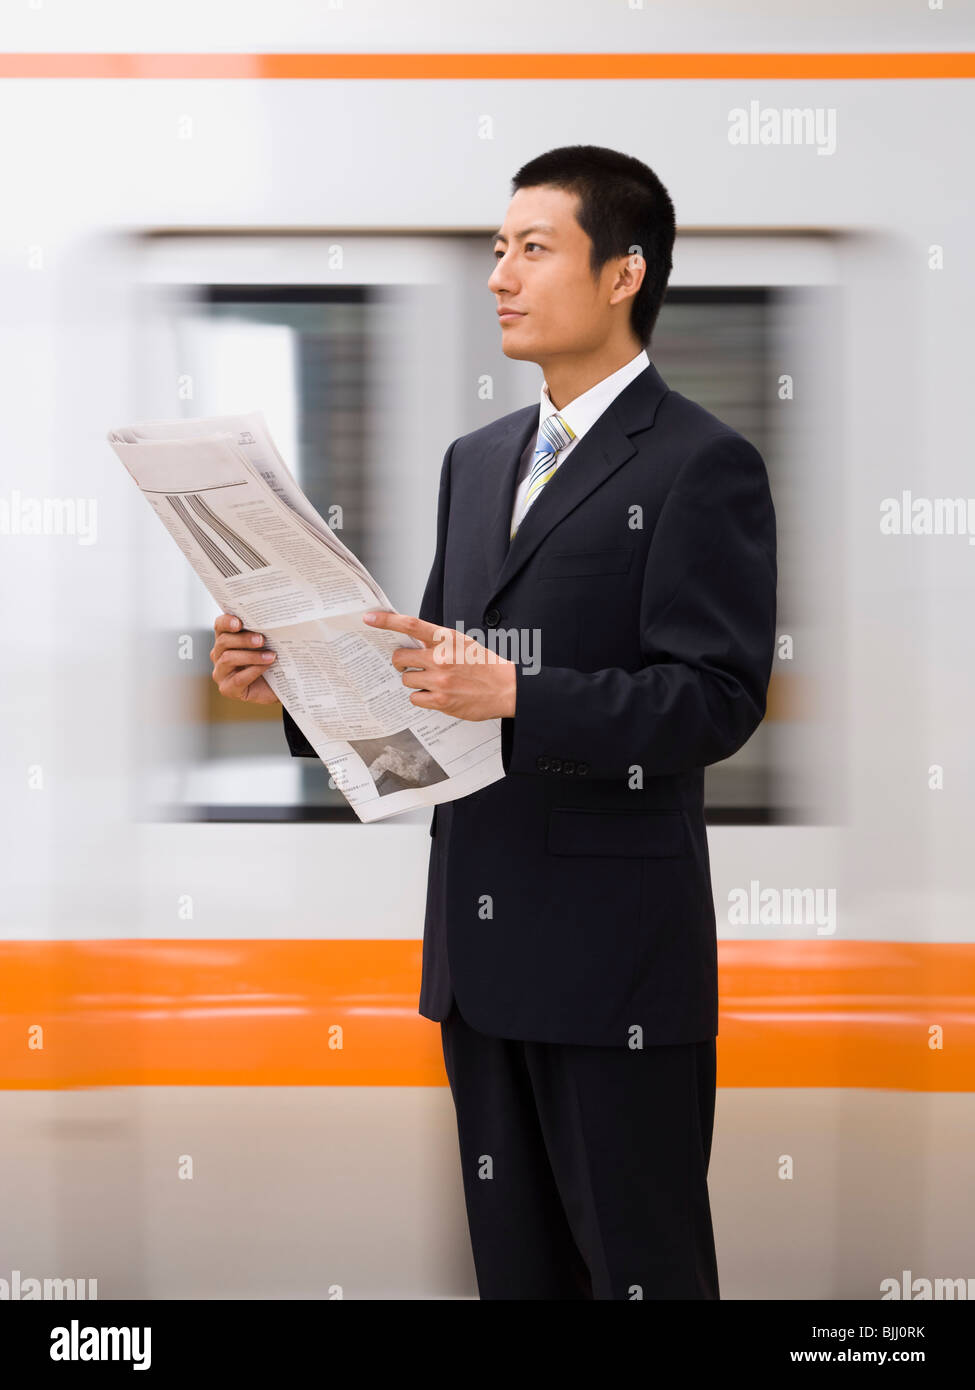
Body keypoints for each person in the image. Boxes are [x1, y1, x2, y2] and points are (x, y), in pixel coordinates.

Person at [210, 144, 777, 1301]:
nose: (499, 278)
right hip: (479, 961)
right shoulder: (477, 464)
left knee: (641, 1274)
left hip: (618, 970)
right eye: (495, 252)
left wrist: (521, 695)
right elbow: (432, 683)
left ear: (624, 275)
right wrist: (298, 686)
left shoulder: (700, 465)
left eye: (532, 248)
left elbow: (716, 699)